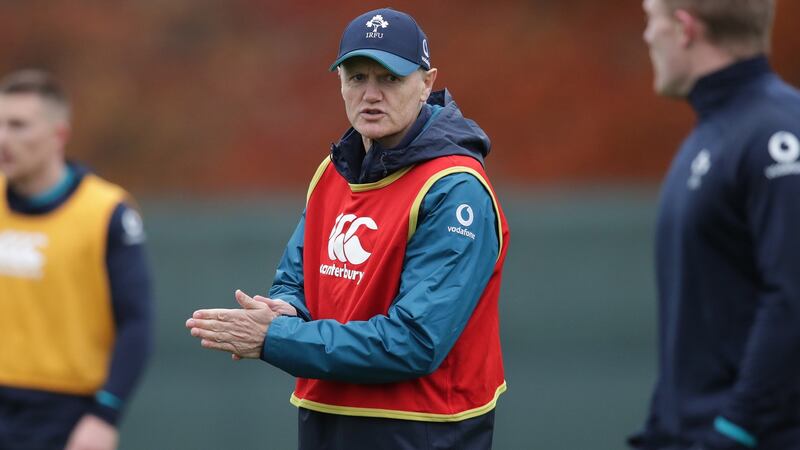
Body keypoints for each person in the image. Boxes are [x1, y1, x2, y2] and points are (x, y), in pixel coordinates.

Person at [186, 7, 509, 450]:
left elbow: (414, 341)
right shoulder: (333, 172)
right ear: (340, 82)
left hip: (423, 429)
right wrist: (286, 311)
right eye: (357, 77)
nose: (371, 94)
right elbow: (296, 280)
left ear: (426, 83)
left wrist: (275, 337)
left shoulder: (454, 189)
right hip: (326, 420)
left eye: (390, 78)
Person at [631, 0, 800, 449]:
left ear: (685, 29)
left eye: (651, 20)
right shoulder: (713, 135)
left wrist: (734, 431)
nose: (647, 36)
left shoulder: (777, 134)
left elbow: (792, 297)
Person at [0, 69, 153, 450]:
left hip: (64, 414)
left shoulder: (106, 212)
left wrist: (105, 416)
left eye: (18, 125)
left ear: (59, 135)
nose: (3, 138)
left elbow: (136, 322)